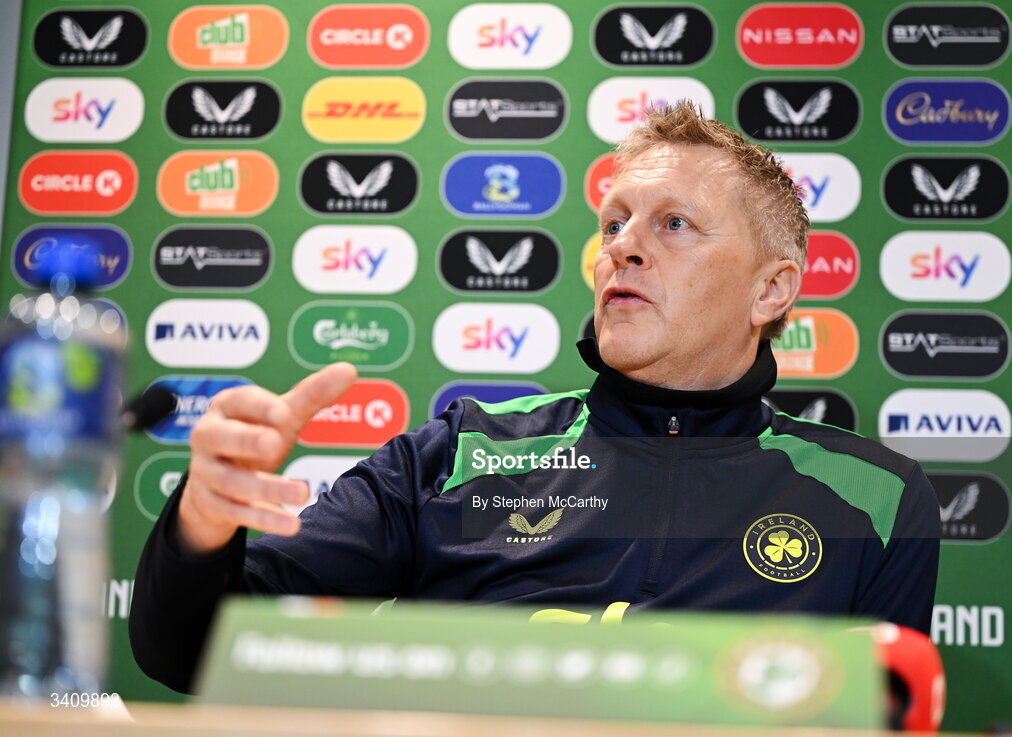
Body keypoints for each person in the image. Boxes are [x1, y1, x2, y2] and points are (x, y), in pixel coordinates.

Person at [129, 102, 940, 694]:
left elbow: (883, 714)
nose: (624, 246)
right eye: (614, 222)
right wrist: (205, 522)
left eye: (675, 225)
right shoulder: (454, 455)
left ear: (771, 289)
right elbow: (189, 654)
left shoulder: (874, 498)